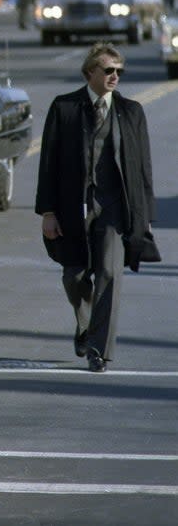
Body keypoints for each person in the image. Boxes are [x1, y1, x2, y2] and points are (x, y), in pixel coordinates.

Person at [35, 42, 158, 373]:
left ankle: (99, 350)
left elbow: (142, 168)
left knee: (109, 274)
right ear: (90, 72)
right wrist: (48, 212)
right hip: (72, 207)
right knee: (74, 276)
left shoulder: (131, 112)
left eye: (119, 71)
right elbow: (47, 162)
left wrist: (144, 217)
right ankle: (86, 324)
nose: (115, 76)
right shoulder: (65, 108)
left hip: (115, 208)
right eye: (108, 70)